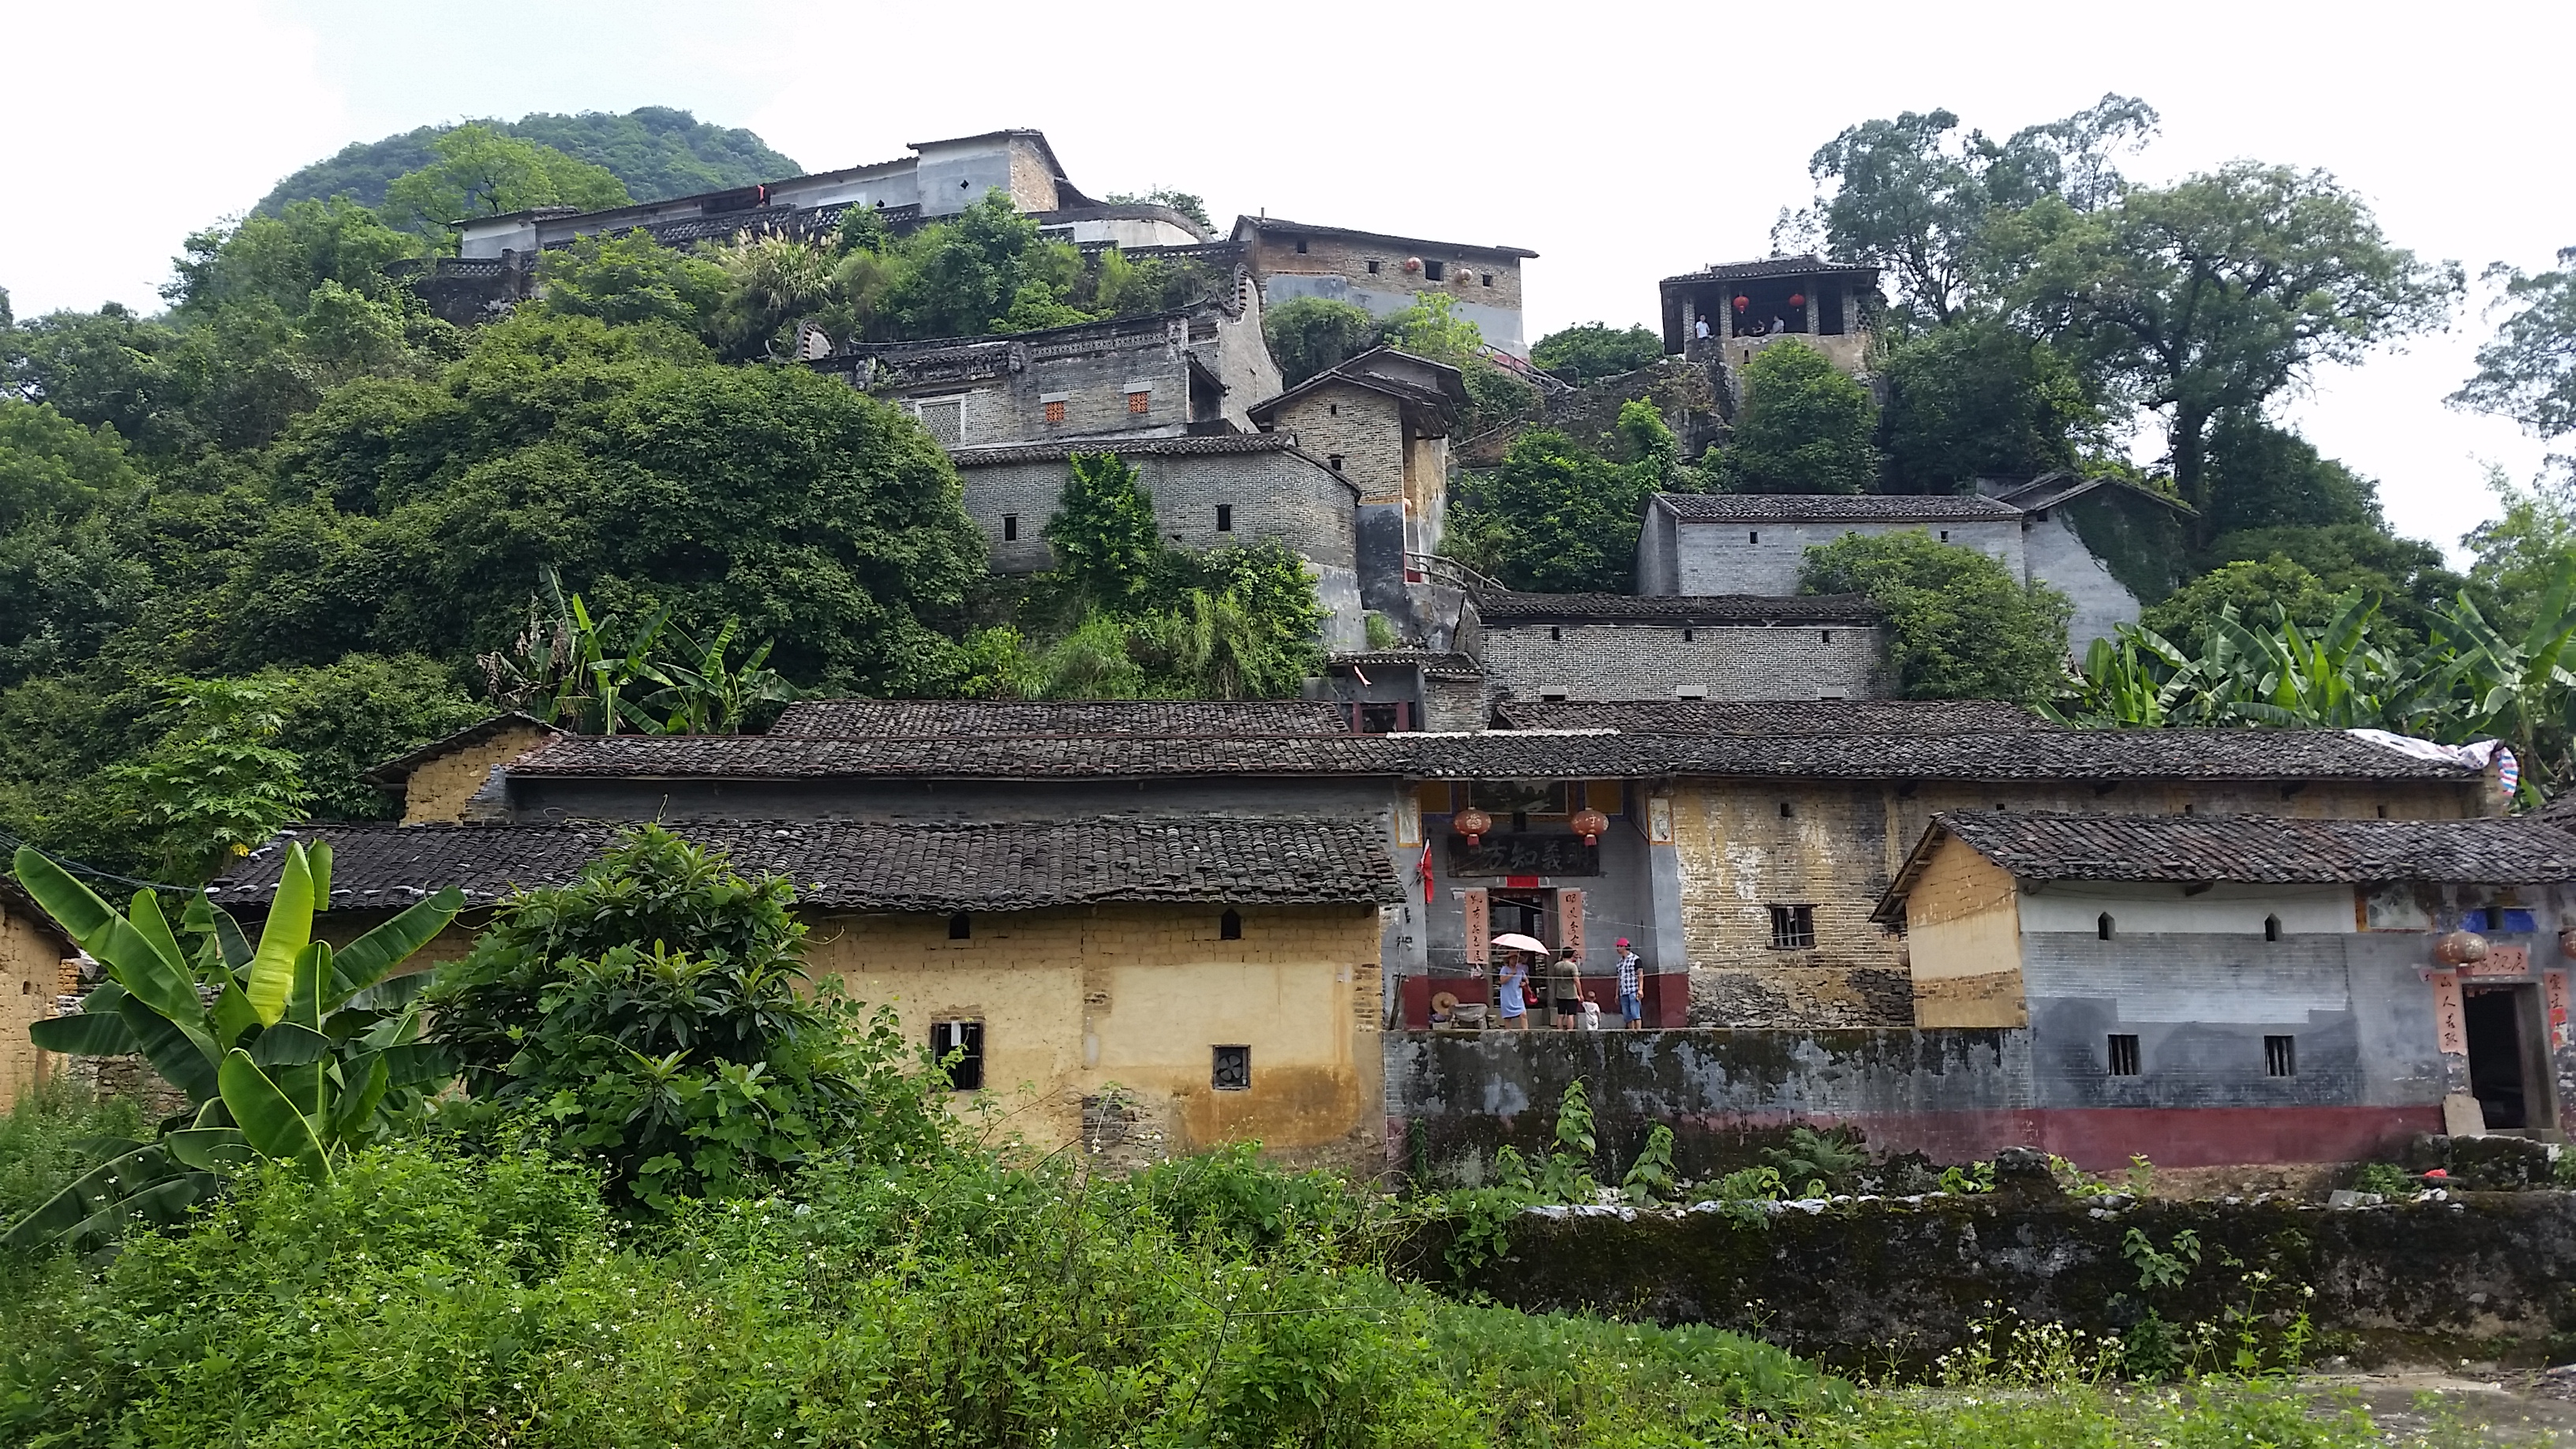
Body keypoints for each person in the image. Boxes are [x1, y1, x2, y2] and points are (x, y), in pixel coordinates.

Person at [1548, 945, 1585, 1030]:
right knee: (1570, 1015)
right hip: (1571, 994)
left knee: (1560, 1015)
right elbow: (1576, 980)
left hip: (1560, 994)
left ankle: (1560, 1032)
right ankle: (1570, 1032)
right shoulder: (1572, 966)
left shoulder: (1556, 965)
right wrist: (1581, 994)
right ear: (1572, 955)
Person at [1496, 952, 1530, 1031]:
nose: (1514, 961)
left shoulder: (1520, 970)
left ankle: (1526, 1032)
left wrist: (1524, 983)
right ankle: (1509, 1034)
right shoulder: (1504, 969)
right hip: (1507, 996)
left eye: (1516, 959)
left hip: (1517, 996)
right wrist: (1511, 974)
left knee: (1523, 1014)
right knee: (1508, 1018)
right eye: (1513, 959)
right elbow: (1502, 981)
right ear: (1509, 960)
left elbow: (1526, 980)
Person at [1613, 938, 1643, 1029]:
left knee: (1635, 1012)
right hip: (1623, 991)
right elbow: (1618, 978)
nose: (1617, 949)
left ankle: (1639, 1031)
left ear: (1625, 947)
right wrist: (1616, 994)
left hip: (1633, 989)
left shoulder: (1635, 959)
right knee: (1626, 1014)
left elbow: (1640, 974)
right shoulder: (1619, 963)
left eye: (1619, 946)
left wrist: (1640, 989)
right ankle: (1631, 1031)